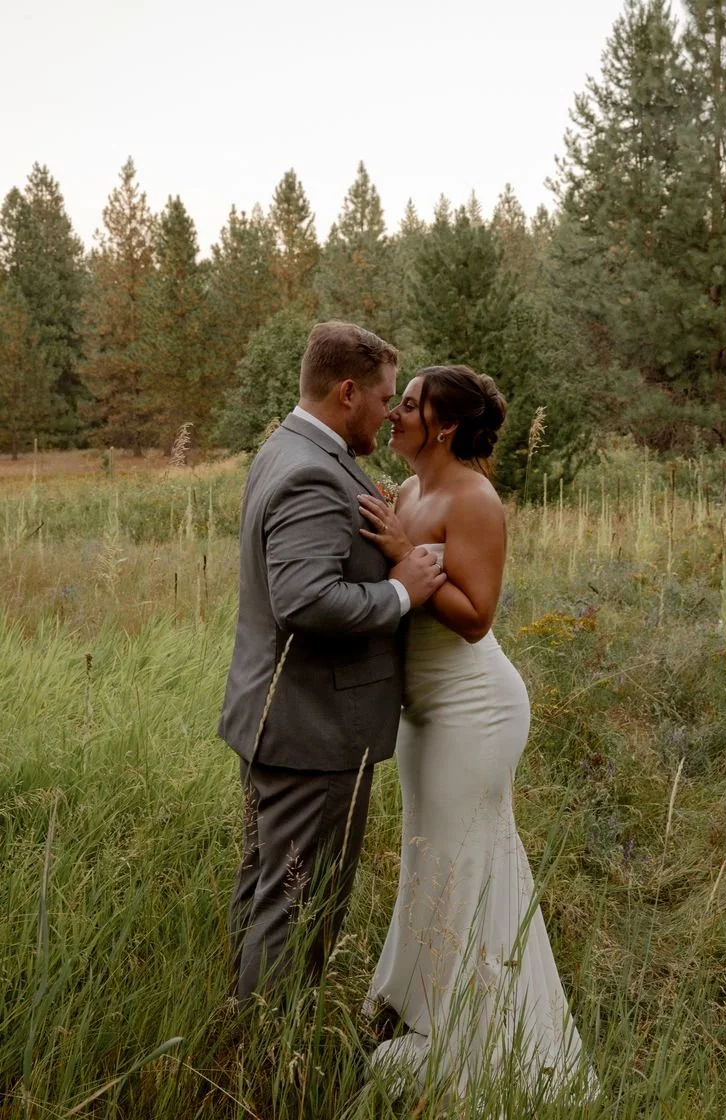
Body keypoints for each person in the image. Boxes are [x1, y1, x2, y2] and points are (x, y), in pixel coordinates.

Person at [357, 365, 597, 1104]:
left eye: (409, 404)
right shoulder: (406, 491)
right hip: (423, 713)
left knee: (466, 860)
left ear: (446, 425)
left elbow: (475, 616)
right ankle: (429, 1008)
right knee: (432, 859)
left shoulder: (473, 498)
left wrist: (402, 555)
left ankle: (481, 1041)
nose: (395, 413)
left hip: (475, 708)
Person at [218, 322, 446, 1006]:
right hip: (311, 728)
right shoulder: (313, 471)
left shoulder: (291, 448)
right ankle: (270, 1053)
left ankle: (246, 1021)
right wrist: (404, 589)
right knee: (297, 904)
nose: (390, 411)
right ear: (347, 392)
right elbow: (305, 598)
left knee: (267, 887)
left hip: (281, 717)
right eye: (382, 397)